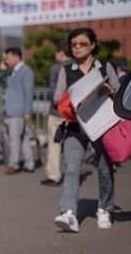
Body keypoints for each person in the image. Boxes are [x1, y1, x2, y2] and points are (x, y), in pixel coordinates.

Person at [53, 27, 119, 233]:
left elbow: (119, 96)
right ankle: (68, 213)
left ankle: (105, 208)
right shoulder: (66, 70)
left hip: (101, 127)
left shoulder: (105, 67)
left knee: (104, 169)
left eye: (82, 44)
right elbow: (57, 98)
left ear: (92, 45)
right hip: (75, 128)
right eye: (74, 45)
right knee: (72, 169)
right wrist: (71, 97)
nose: (78, 48)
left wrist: (110, 92)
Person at [0, 46, 35, 174]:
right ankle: (29, 163)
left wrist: (28, 110)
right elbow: (4, 81)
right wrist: (2, 70)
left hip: (18, 111)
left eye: (7, 57)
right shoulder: (14, 71)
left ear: (15, 56)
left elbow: (29, 92)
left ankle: (13, 164)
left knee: (14, 139)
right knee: (23, 138)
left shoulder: (26, 71)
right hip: (14, 110)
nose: (6, 60)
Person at [42, 40, 69, 187]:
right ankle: (72, 173)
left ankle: (54, 175)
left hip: (58, 112)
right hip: (74, 112)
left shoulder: (56, 69)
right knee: (73, 145)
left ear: (61, 53)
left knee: (54, 144)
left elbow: (54, 93)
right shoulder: (77, 67)